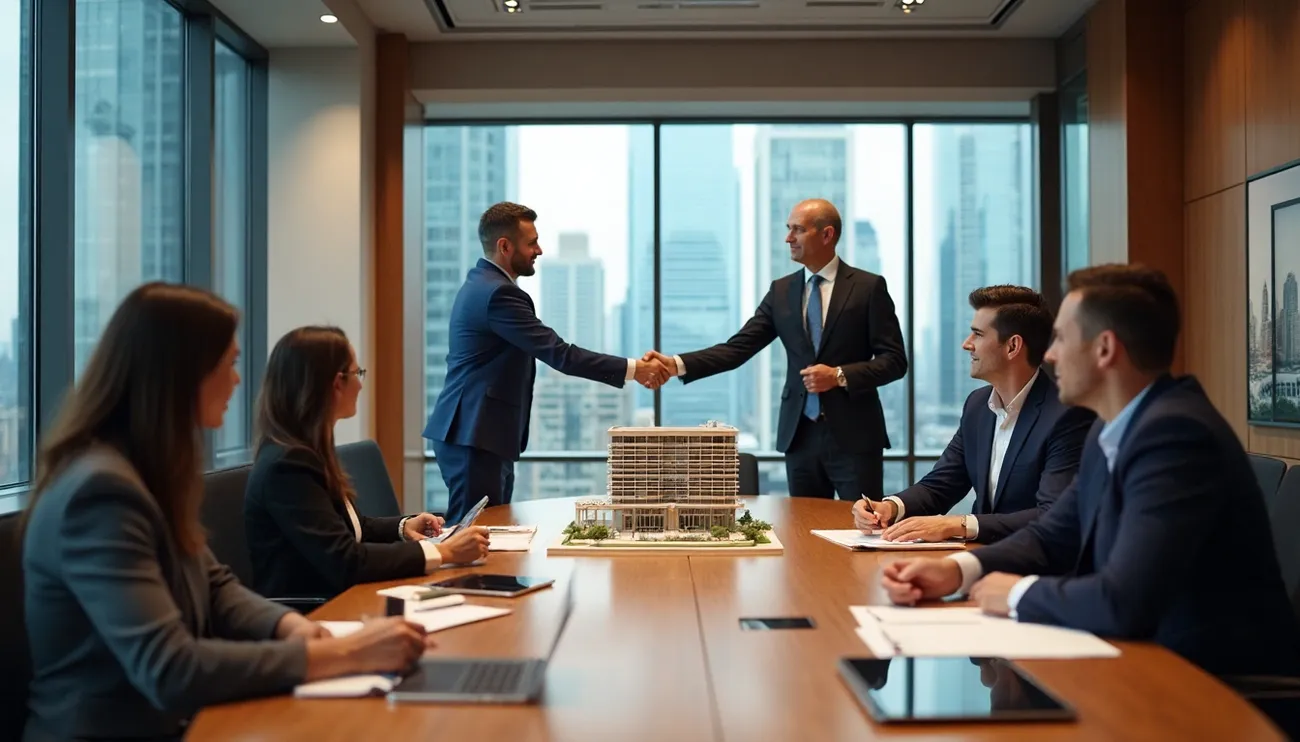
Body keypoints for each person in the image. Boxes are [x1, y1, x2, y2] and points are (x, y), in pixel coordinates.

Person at [20, 284, 434, 742]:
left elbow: (213, 586)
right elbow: (169, 668)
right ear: (183, 372)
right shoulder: (99, 492)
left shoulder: (142, 472)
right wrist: (342, 656)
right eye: (230, 363)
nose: (238, 380)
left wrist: (291, 626)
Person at [880, 265, 1300, 678]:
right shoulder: (1114, 425)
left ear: (1104, 349)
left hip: (1213, 681)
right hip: (1147, 657)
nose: (1049, 353)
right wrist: (957, 571)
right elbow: (1053, 533)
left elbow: (1124, 600)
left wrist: (1017, 592)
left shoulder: (1176, 435)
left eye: (1062, 338)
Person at [424, 202, 673, 521]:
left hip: (479, 435)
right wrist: (636, 370)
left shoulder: (482, 285)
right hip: (474, 436)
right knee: (475, 540)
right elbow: (561, 354)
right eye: (532, 243)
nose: (538, 250)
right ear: (504, 246)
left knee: (491, 534)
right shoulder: (498, 294)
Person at [644, 198, 907, 500]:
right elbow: (737, 349)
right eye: (788, 229)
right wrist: (674, 364)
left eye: (797, 229)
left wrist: (838, 375)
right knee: (805, 532)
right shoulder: (781, 291)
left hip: (856, 437)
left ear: (826, 235)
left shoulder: (868, 287)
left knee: (862, 533)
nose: (788, 238)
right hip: (799, 438)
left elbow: (895, 361)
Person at [245, 326, 490, 600]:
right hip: (318, 612)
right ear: (336, 382)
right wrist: (444, 552)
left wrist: (402, 528)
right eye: (356, 373)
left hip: (342, 596)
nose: (361, 384)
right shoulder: (288, 465)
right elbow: (345, 560)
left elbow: (349, 527)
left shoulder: (302, 450)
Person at [853, 286, 1094, 543]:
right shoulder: (977, 406)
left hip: (1036, 566)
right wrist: (890, 507)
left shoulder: (1067, 415)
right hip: (980, 558)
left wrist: (958, 525)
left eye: (977, 334)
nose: (966, 344)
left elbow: (1052, 514)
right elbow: (942, 484)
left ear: (1012, 346)